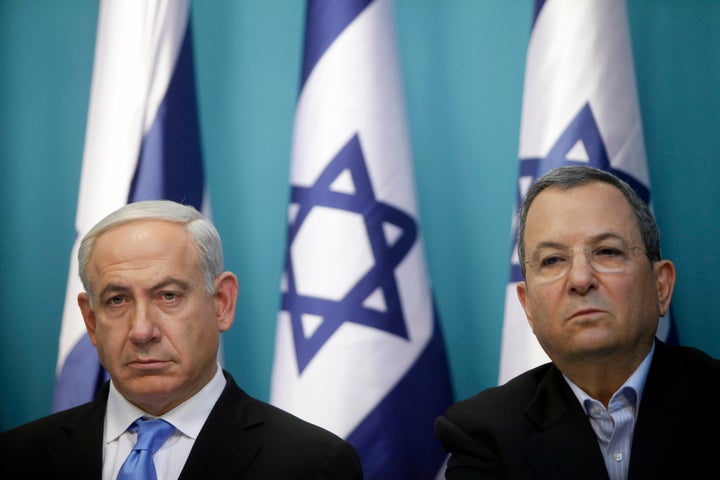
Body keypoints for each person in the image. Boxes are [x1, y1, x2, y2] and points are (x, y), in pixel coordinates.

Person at [0, 200, 363, 479]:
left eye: (168, 296)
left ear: (221, 303)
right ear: (92, 321)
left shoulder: (311, 465)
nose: (142, 330)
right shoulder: (17, 457)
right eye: (117, 300)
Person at [434, 165, 720, 479]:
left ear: (660, 286)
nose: (581, 279)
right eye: (553, 260)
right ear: (527, 305)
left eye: (607, 251)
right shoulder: (483, 433)